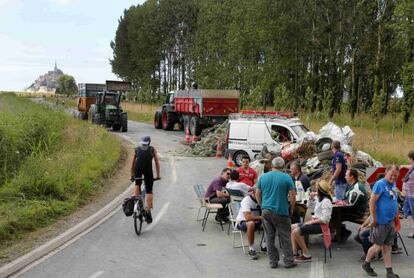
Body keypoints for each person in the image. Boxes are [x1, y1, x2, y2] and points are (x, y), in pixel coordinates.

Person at [256, 157, 297, 269]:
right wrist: (292, 208)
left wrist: (261, 205)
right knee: (285, 237)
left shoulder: (263, 177)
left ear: (272, 165)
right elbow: (293, 196)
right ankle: (288, 261)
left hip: (266, 211)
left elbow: (257, 194)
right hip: (281, 211)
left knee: (269, 237)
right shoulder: (287, 178)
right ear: (283, 166)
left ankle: (273, 262)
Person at [362, 165, 400, 278]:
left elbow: (393, 200)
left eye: (396, 175)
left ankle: (389, 272)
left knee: (387, 247)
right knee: (377, 246)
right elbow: (372, 201)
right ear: (386, 172)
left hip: (390, 221)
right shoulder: (380, 184)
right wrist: (374, 218)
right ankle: (366, 263)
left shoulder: (393, 184)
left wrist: (395, 216)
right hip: (381, 221)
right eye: (391, 174)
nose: (393, 177)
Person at [291, 180, 333, 262]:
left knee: (296, 231)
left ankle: (306, 255)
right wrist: (310, 198)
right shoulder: (319, 199)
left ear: (320, 190)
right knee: (292, 227)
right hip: (315, 222)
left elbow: (325, 219)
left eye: (317, 188)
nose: (315, 189)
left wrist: (311, 222)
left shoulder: (326, 201)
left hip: (321, 226)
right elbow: (309, 206)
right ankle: (294, 253)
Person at [131, 136, 161, 224]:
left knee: (137, 184)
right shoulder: (152, 149)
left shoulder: (136, 150)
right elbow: (157, 163)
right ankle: (147, 210)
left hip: (137, 170)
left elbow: (132, 165)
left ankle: (135, 202)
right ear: (149, 143)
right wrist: (158, 175)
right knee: (149, 191)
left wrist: (131, 175)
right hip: (148, 171)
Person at [336, 168, 369, 241]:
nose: (345, 177)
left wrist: (343, 202)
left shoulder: (357, 188)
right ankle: (341, 232)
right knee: (335, 213)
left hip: (357, 212)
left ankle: (343, 233)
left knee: (335, 215)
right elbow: (345, 199)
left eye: (346, 175)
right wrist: (341, 201)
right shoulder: (350, 185)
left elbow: (350, 203)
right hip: (352, 210)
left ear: (351, 177)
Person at [236, 193, 263, 260]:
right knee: (251, 223)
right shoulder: (246, 200)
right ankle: (251, 249)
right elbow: (247, 217)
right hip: (242, 222)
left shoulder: (263, 199)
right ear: (253, 193)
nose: (260, 195)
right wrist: (261, 217)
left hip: (258, 221)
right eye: (259, 193)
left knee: (270, 221)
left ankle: (264, 245)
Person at [402, 150, 414, 239]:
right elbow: (410, 166)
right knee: (406, 210)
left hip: (412, 195)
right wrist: (403, 166)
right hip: (408, 194)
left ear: (411, 159)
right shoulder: (412, 167)